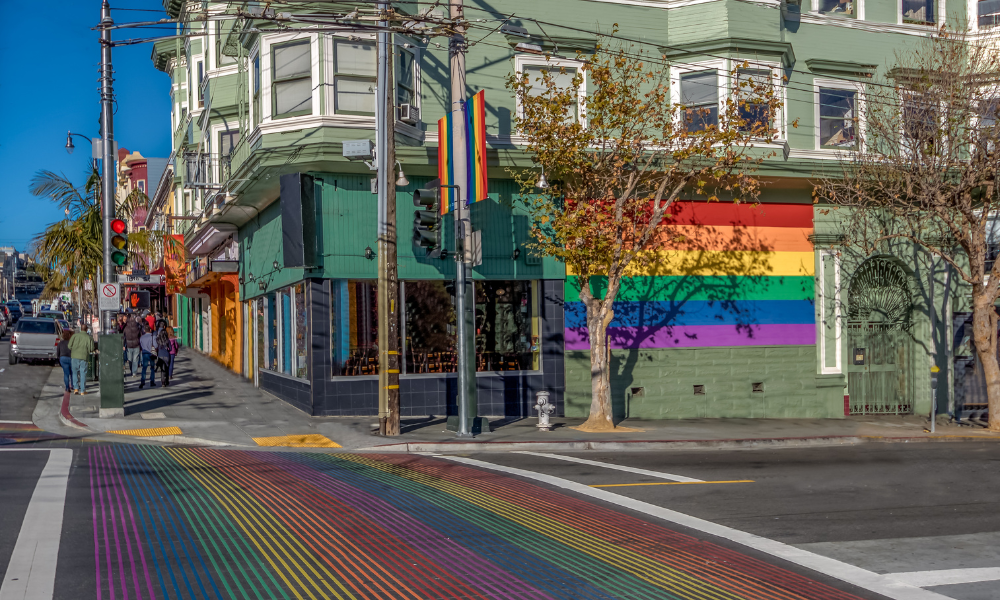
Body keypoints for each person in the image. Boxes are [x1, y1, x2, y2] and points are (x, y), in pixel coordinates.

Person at [68, 324, 94, 395]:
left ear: (80, 329)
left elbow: (69, 346)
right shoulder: (89, 338)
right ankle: (82, 390)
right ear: (86, 329)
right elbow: (91, 349)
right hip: (84, 357)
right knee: (83, 373)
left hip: (74, 356)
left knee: (75, 372)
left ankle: (76, 388)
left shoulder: (74, 336)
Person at [138, 322, 157, 389]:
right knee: (152, 368)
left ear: (144, 330)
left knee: (144, 368)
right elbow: (155, 345)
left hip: (144, 353)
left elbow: (140, 345)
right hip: (151, 353)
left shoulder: (142, 337)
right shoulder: (153, 337)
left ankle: (142, 381)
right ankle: (152, 381)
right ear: (150, 330)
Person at [57, 329, 73, 393]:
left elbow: (58, 352)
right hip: (71, 358)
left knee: (66, 374)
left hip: (63, 358)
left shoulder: (60, 343)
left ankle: (67, 387)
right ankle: (73, 385)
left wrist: (59, 359)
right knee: (72, 373)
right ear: (69, 335)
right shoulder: (71, 343)